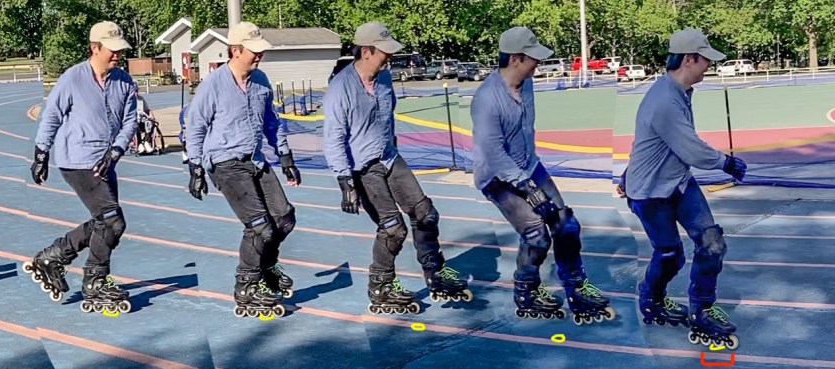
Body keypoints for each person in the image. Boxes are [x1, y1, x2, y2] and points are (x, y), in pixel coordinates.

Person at [322, 22, 471, 315]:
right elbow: (333, 138)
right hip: (363, 168)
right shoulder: (340, 89)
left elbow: (387, 117)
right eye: (384, 52)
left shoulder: (384, 78)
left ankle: (435, 271)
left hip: (390, 157)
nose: (389, 56)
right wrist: (345, 181)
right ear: (366, 52)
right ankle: (381, 286)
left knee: (426, 214)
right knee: (393, 229)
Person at [470, 27, 614, 325]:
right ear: (515, 59)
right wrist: (529, 189)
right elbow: (495, 155)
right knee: (536, 234)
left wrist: (532, 181)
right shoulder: (486, 99)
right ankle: (526, 292)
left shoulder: (527, 84)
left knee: (566, 224)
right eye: (533, 58)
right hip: (496, 176)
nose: (538, 63)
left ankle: (576, 287)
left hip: (529, 165)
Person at [622, 28, 744, 350]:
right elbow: (691, 149)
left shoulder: (679, 92)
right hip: (650, 192)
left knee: (712, 243)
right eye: (706, 60)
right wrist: (726, 163)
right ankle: (651, 298)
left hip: (678, 181)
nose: (709, 66)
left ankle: (702, 309)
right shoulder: (664, 99)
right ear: (689, 59)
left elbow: (651, 142)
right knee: (670, 254)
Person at [185, 21, 302, 318]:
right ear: (235, 51)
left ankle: (265, 266)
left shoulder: (261, 80)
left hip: (255, 159)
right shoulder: (213, 84)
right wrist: (195, 167)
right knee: (260, 226)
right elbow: (195, 127)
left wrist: (285, 155)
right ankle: (247, 285)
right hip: (225, 162)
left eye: (261, 51)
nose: (259, 55)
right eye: (254, 51)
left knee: (284, 218)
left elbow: (272, 121)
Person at [25, 21, 138, 314]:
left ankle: (53, 257)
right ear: (94, 48)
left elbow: (130, 121)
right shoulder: (72, 79)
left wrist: (116, 150)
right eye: (111, 50)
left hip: (106, 161)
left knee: (105, 222)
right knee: (113, 222)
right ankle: (95, 280)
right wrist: (41, 152)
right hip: (77, 161)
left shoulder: (124, 82)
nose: (117, 55)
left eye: (119, 50)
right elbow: (51, 115)